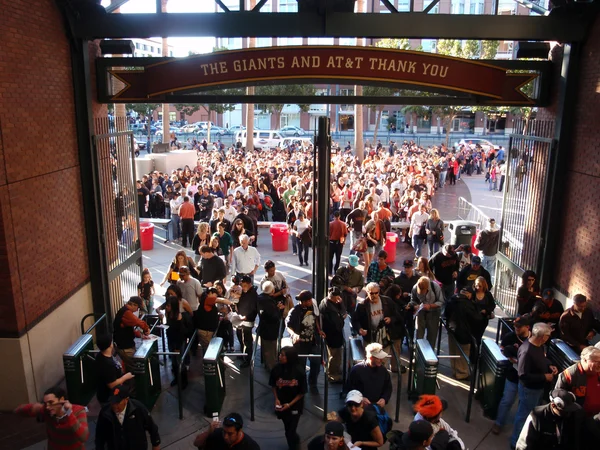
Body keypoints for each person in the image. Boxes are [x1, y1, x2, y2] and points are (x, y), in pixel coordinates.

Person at [510, 322, 558, 449]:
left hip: (537, 389)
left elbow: (542, 359)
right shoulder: (526, 351)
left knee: (530, 415)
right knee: (523, 416)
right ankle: (515, 443)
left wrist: (549, 365)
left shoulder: (539, 346)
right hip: (529, 390)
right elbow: (523, 375)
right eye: (548, 335)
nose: (548, 338)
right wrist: (544, 377)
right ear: (542, 337)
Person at [492, 316, 533, 435]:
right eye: (515, 326)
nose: (516, 329)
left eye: (519, 327)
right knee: (507, 400)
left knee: (523, 403)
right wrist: (510, 358)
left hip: (527, 377)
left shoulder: (533, 338)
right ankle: (499, 423)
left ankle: (520, 428)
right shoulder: (510, 337)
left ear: (527, 327)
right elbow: (502, 349)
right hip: (513, 374)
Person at [14, 386, 89, 450]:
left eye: (51, 402)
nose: (48, 407)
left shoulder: (78, 411)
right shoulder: (46, 410)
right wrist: (34, 408)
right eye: (46, 403)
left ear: (62, 399)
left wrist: (69, 413)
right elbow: (18, 410)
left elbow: (83, 436)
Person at [554, 346, 600, 444]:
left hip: (596, 420)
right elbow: (557, 398)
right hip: (576, 422)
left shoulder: (598, 372)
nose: (599, 364)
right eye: (596, 361)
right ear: (584, 360)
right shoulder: (569, 375)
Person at [95, 384, 160, 450]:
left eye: (117, 403)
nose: (114, 406)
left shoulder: (138, 408)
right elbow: (99, 436)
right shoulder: (105, 413)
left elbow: (152, 427)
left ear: (126, 400)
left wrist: (156, 444)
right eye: (112, 402)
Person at [515, 389, 582, 450]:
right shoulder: (537, 416)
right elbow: (523, 445)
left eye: (569, 410)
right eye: (565, 411)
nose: (568, 413)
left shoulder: (573, 415)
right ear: (553, 405)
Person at [286, 290, 324, 393]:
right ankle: (302, 385)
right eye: (308, 301)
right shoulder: (295, 311)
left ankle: (313, 383)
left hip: (312, 341)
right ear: (303, 301)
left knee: (316, 363)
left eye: (310, 300)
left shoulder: (313, 306)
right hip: (300, 343)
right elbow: (288, 326)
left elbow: (316, 318)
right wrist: (294, 334)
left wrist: (319, 330)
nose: (310, 302)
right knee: (300, 365)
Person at [269, 346, 307, 450]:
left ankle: (294, 446)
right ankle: (295, 440)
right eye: (280, 354)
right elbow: (273, 385)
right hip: (281, 403)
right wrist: (276, 398)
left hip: (295, 405)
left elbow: (302, 392)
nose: (280, 357)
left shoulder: (299, 371)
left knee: (290, 430)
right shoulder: (276, 369)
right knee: (287, 428)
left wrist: (289, 404)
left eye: (282, 355)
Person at [444, 288, 486, 381]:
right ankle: (462, 373)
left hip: (452, 329)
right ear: (469, 295)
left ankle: (455, 371)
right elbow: (475, 318)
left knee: (453, 350)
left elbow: (446, 313)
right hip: (463, 332)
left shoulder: (452, 299)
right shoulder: (467, 304)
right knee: (463, 353)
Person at [352, 282, 399, 351]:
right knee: (371, 360)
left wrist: (390, 319)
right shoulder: (362, 306)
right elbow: (355, 320)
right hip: (369, 338)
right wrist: (359, 329)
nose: (374, 295)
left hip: (384, 337)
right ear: (367, 293)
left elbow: (396, 315)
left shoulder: (387, 301)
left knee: (383, 360)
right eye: (371, 293)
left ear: (379, 292)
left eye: (376, 293)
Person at [346, 343, 392, 408]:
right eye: (378, 358)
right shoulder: (356, 370)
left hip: (377, 406)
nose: (381, 360)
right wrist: (360, 399)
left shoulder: (383, 371)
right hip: (360, 407)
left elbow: (388, 387)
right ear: (371, 358)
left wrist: (384, 399)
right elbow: (350, 389)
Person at [113, 296, 150, 373]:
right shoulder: (127, 313)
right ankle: (132, 384)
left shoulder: (124, 311)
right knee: (135, 368)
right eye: (138, 307)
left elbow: (129, 328)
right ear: (134, 305)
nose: (137, 310)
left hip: (124, 345)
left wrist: (140, 335)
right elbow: (138, 322)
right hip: (125, 347)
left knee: (130, 368)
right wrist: (146, 329)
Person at [95, 333, 135, 405]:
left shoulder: (102, 355)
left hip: (111, 394)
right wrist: (125, 377)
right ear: (110, 345)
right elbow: (112, 385)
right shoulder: (107, 364)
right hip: (110, 398)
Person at [319, 287, 347, 383]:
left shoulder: (327, 302)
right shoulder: (329, 308)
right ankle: (333, 375)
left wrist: (340, 304)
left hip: (332, 335)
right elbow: (338, 324)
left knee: (335, 355)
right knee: (334, 355)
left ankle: (335, 370)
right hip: (333, 335)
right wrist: (342, 318)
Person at [410, 277, 445, 349]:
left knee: (432, 335)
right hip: (421, 313)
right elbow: (412, 300)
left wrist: (430, 305)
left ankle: (430, 353)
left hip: (434, 313)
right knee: (419, 335)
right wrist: (415, 306)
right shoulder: (415, 288)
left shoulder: (435, 287)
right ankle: (418, 352)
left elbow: (441, 301)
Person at [258, 281, 286, 371]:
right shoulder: (269, 302)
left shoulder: (260, 298)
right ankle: (272, 368)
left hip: (263, 328)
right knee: (270, 350)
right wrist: (279, 309)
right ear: (272, 291)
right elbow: (273, 317)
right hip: (270, 331)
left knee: (267, 349)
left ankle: (267, 364)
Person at [194, 412, 260, 449]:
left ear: (239, 431)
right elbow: (197, 443)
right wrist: (209, 432)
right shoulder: (218, 434)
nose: (225, 436)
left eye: (230, 434)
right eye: (224, 431)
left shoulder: (251, 447)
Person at [236, 275, 259, 368]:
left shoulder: (253, 295)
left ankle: (248, 358)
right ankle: (243, 354)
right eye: (242, 285)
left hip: (247, 320)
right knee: (240, 336)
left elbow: (254, 310)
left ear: (249, 284)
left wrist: (247, 317)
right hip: (240, 318)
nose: (243, 287)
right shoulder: (243, 292)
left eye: (245, 285)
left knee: (247, 340)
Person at [329, 211, 348, 275]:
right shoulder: (343, 224)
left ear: (334, 216)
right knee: (338, 257)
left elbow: (328, 234)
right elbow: (345, 234)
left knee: (330, 258)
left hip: (331, 242)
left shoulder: (330, 224)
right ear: (339, 216)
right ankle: (336, 270)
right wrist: (344, 242)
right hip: (340, 242)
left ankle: (329, 270)